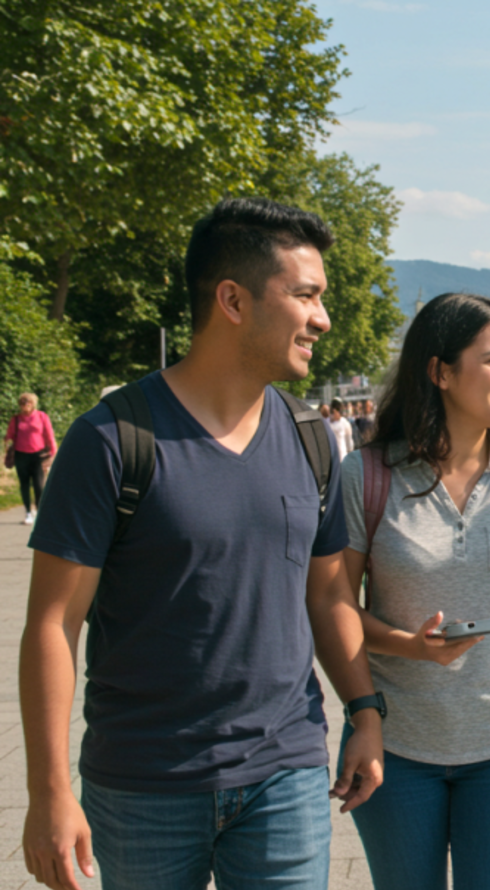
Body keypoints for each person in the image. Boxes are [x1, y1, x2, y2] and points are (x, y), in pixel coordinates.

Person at [19, 198, 384, 890]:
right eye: (306, 295)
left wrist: (365, 709)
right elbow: (53, 623)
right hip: (142, 786)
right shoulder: (111, 440)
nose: (323, 318)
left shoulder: (312, 442)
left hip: (286, 774)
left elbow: (329, 592)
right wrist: (49, 794)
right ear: (233, 300)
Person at [340, 292, 490, 890]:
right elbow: (333, 607)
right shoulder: (367, 475)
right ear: (441, 371)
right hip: (395, 748)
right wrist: (407, 644)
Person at [6, 392, 56, 525]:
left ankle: (39, 511)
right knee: (24, 484)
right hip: (21, 455)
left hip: (38, 455)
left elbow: (49, 435)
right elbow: (9, 435)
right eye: (22, 403)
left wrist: (52, 452)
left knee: (39, 485)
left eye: (28, 402)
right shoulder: (16, 419)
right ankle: (28, 512)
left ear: (33, 403)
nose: (25, 405)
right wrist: (7, 445)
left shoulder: (41, 416)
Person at [329, 397, 355, 462]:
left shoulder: (345, 423)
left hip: (342, 458)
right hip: (331, 459)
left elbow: (349, 444)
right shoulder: (327, 423)